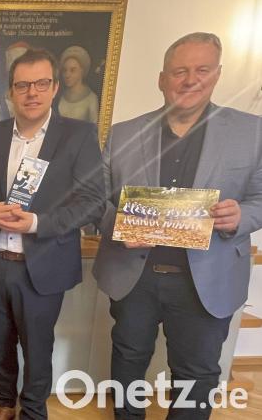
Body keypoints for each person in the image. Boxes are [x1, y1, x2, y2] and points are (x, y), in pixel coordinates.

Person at [93, 32, 262, 420]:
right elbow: (95, 199)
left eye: (201, 70)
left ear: (217, 74)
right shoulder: (123, 133)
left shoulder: (252, 132)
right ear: (162, 79)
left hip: (206, 279)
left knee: (196, 375)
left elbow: (260, 199)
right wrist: (119, 225)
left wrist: (243, 217)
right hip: (134, 275)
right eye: (180, 71)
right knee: (128, 361)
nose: (190, 80)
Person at [0, 48, 105, 420]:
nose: (32, 92)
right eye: (23, 85)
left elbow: (93, 201)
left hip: (42, 264)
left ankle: (32, 410)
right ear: (11, 92)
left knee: (37, 346)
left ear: (55, 87)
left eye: (41, 83)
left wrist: (37, 223)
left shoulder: (78, 135)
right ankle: (4, 403)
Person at [58, 45, 100, 123]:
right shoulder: (60, 96)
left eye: (72, 70)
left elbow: (94, 130)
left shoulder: (91, 99)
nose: (67, 75)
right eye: (65, 70)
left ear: (82, 71)